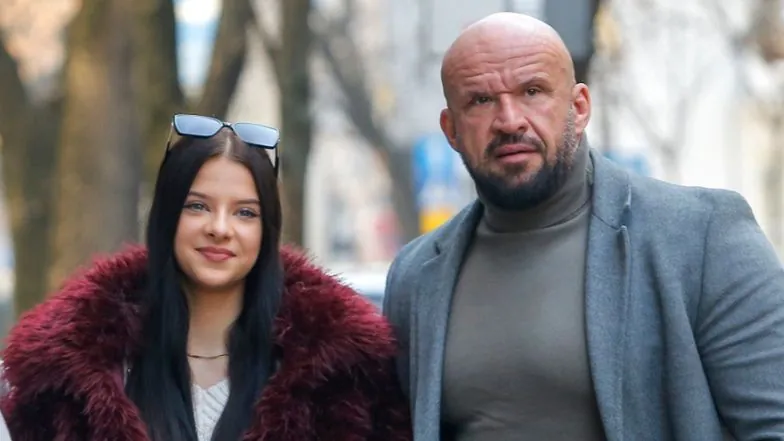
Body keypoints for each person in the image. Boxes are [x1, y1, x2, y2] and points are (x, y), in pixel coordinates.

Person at [383, 11, 784, 441]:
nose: (509, 120)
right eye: (480, 101)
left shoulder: (703, 238)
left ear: (579, 106)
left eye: (532, 91)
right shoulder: (415, 275)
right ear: (451, 130)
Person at [0, 114, 412, 441]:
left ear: (267, 230)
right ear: (166, 216)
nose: (220, 228)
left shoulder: (343, 374)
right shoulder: (74, 373)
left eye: (245, 213)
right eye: (197, 206)